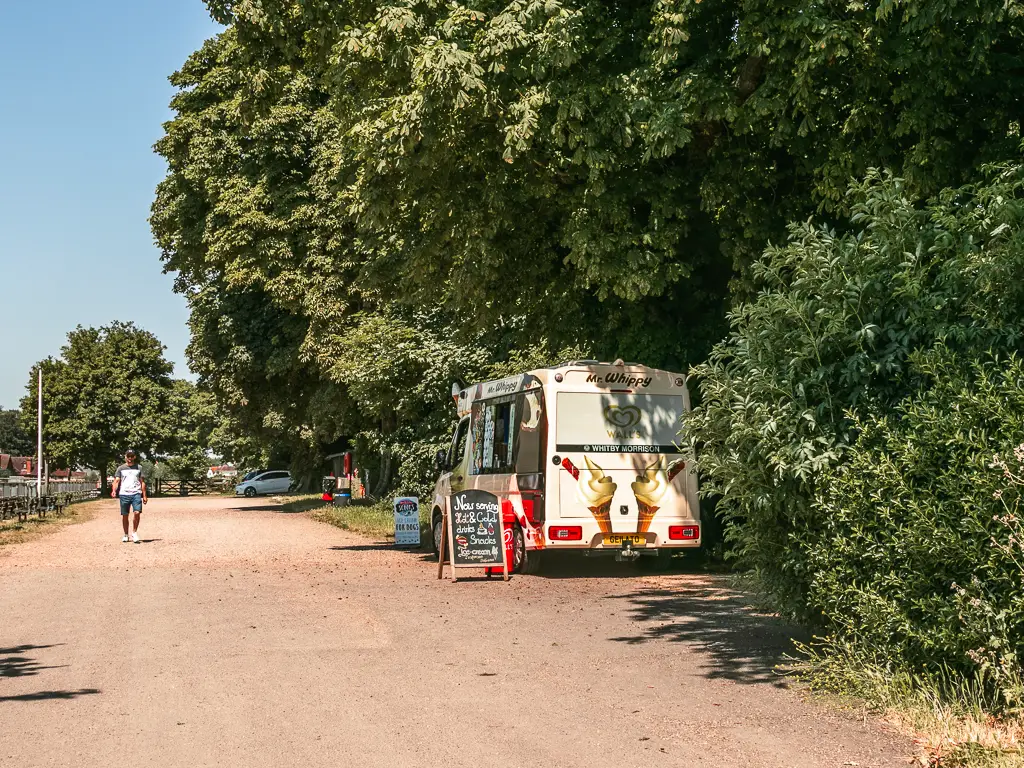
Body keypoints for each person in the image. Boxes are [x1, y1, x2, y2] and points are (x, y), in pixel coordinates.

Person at [111, 449, 147, 543]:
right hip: (124, 494)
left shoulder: (139, 468)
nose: (130, 458)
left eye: (132, 456)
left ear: (134, 457)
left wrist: (144, 495)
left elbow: (142, 482)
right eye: (128, 456)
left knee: (137, 513)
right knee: (125, 515)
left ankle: (134, 533)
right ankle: (126, 534)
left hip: (136, 493)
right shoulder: (121, 468)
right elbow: (117, 480)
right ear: (125, 457)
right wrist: (114, 490)